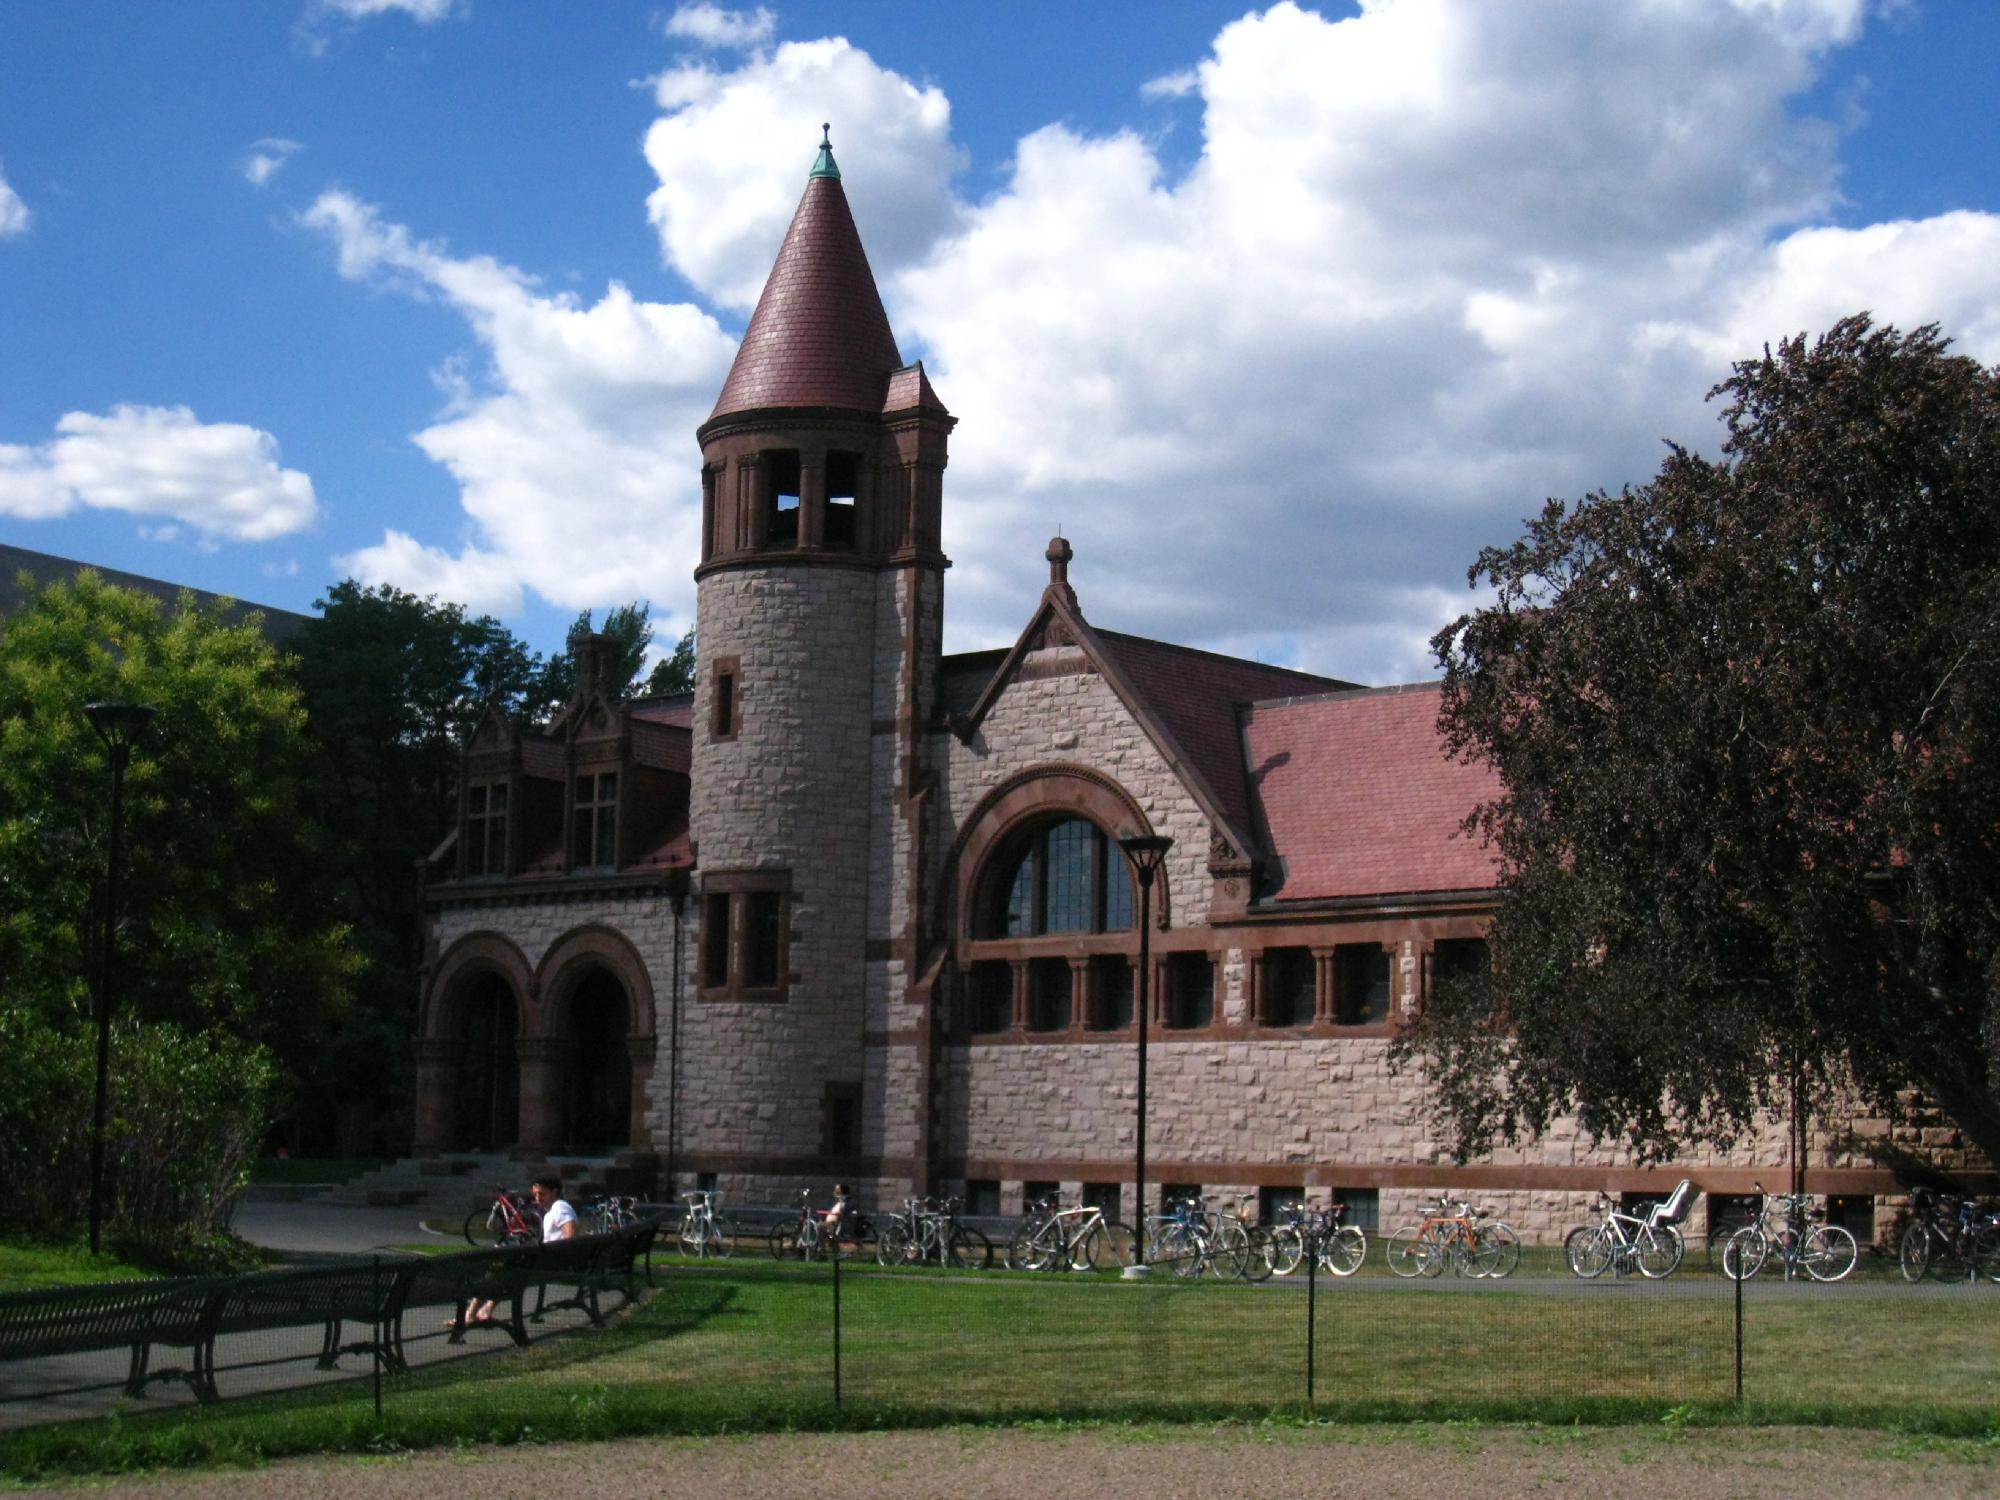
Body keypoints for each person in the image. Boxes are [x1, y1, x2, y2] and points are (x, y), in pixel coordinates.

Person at [463, 1175, 577, 1326]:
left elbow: (570, 1237)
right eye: (535, 1194)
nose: (537, 1198)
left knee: (498, 1264)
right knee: (501, 1265)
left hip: (547, 1263)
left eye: (542, 1193)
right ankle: (485, 1310)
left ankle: (469, 1314)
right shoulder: (553, 1210)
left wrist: (540, 1248)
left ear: (554, 1192)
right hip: (547, 1262)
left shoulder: (560, 1207)